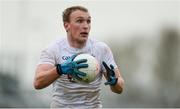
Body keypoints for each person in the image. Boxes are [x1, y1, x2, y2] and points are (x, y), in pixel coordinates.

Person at [33, 5, 124, 108]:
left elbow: (119, 89)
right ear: (66, 26)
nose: (85, 26)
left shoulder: (101, 49)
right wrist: (60, 69)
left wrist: (115, 81)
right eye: (80, 21)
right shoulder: (54, 49)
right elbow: (38, 83)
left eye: (88, 21)